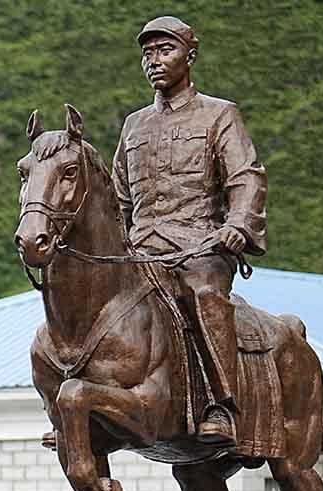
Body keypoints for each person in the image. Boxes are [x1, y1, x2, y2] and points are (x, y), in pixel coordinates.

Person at [111, 15, 266, 447]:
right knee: (92, 300)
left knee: (206, 295)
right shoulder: (133, 125)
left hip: (200, 246)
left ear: (190, 56)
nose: (154, 61)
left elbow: (246, 178)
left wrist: (238, 225)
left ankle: (222, 406)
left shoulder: (219, 114)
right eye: (148, 53)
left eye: (165, 51)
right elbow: (119, 197)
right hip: (141, 250)